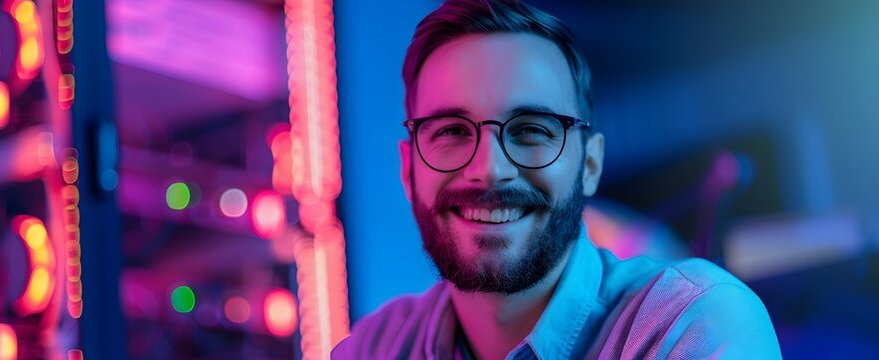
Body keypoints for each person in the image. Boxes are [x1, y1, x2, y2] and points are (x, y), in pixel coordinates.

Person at [332, 0, 781, 359]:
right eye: (451, 131)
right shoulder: (373, 347)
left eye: (531, 130)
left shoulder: (691, 325)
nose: (488, 168)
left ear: (589, 165)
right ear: (408, 170)